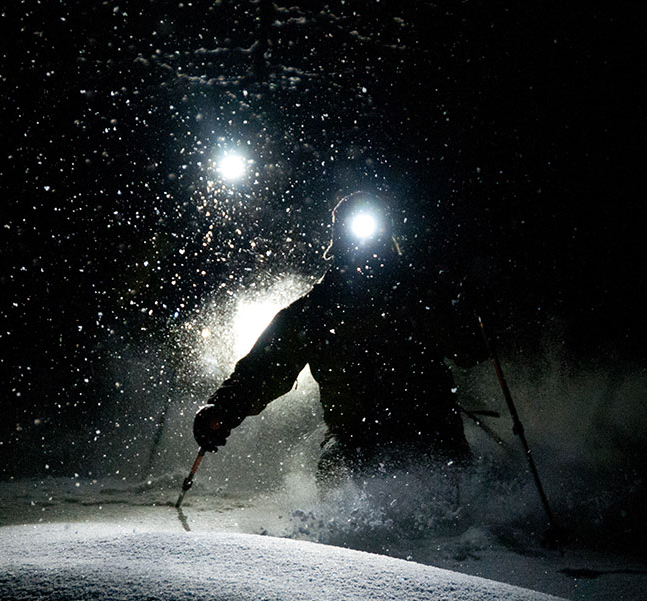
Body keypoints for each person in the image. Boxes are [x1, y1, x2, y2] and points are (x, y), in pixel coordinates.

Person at [193, 191, 486, 485]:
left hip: (431, 431)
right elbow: (266, 367)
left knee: (456, 489)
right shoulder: (315, 311)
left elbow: (469, 349)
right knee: (336, 474)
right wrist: (223, 409)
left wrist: (471, 310)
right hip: (356, 442)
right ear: (339, 240)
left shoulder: (419, 295)